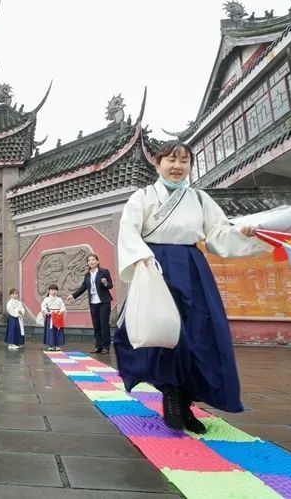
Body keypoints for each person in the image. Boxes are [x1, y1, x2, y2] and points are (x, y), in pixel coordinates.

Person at [115, 141, 269, 434]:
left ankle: (185, 401)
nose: (177, 167)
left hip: (192, 265)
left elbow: (219, 233)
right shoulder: (143, 197)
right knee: (165, 332)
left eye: (184, 161)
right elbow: (129, 231)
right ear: (157, 164)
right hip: (155, 265)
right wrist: (143, 259)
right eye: (171, 160)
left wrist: (246, 230)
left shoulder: (199, 199)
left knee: (199, 333)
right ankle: (171, 395)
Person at [66, 254, 115, 354]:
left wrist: (105, 283)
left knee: (104, 324)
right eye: (89, 260)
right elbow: (83, 287)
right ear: (87, 263)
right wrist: (73, 295)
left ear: (97, 261)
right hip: (93, 302)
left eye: (93, 260)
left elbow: (110, 285)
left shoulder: (104, 271)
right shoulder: (87, 274)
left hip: (104, 302)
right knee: (96, 325)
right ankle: (98, 346)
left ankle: (106, 347)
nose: (91, 262)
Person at [41, 283, 66, 351]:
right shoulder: (46, 299)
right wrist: (46, 312)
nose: (53, 291)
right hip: (50, 316)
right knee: (50, 331)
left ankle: (58, 345)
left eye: (55, 290)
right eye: (52, 290)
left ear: (57, 291)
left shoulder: (59, 299)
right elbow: (43, 306)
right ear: (49, 291)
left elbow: (63, 307)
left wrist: (61, 311)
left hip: (58, 316)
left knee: (58, 330)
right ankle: (50, 345)